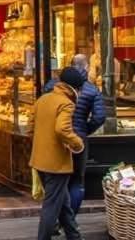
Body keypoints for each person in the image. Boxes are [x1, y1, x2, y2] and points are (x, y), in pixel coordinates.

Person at [45, 54, 106, 218]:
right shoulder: (92, 89)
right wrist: (85, 129)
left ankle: (58, 219)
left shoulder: (53, 85)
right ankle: (70, 219)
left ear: (70, 65)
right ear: (86, 68)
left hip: (55, 139)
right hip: (78, 140)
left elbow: (44, 106)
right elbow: (99, 117)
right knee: (77, 181)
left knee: (57, 181)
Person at [31, 67, 86, 240]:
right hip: (56, 164)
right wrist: (78, 144)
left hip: (39, 160)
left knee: (63, 202)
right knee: (52, 206)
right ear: (74, 88)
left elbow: (31, 126)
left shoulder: (43, 99)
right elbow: (62, 129)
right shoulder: (66, 103)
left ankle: (74, 235)